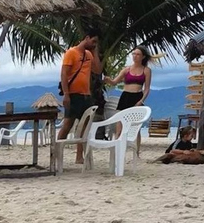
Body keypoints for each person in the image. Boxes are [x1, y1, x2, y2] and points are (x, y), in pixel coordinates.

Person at [58, 28, 102, 164]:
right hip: (73, 94)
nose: (94, 44)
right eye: (93, 41)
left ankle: (79, 156)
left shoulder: (89, 54)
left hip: (86, 95)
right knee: (67, 124)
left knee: (84, 126)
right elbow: (64, 74)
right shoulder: (71, 53)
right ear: (87, 38)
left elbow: (97, 70)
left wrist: (94, 51)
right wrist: (66, 94)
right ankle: (57, 154)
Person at [103, 45, 154, 137]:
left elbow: (146, 89)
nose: (135, 56)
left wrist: (141, 101)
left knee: (136, 126)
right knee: (120, 122)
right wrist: (108, 80)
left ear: (143, 57)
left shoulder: (146, 70)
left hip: (137, 96)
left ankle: (137, 150)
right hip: (125, 96)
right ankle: (117, 143)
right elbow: (114, 82)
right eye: (134, 54)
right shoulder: (126, 69)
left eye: (138, 54)